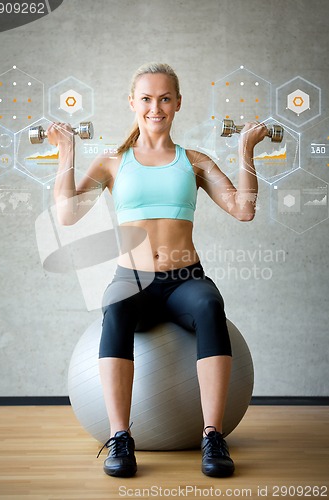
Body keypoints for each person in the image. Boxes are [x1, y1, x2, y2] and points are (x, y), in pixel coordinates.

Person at [47, 62, 268, 479]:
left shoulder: (195, 161)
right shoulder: (112, 161)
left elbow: (244, 209)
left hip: (185, 279)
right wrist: (68, 153)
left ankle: (212, 436)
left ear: (178, 103)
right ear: (132, 102)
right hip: (131, 279)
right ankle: (120, 437)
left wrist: (246, 151)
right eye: (146, 98)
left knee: (209, 304)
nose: (155, 107)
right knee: (115, 307)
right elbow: (66, 215)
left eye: (165, 98)